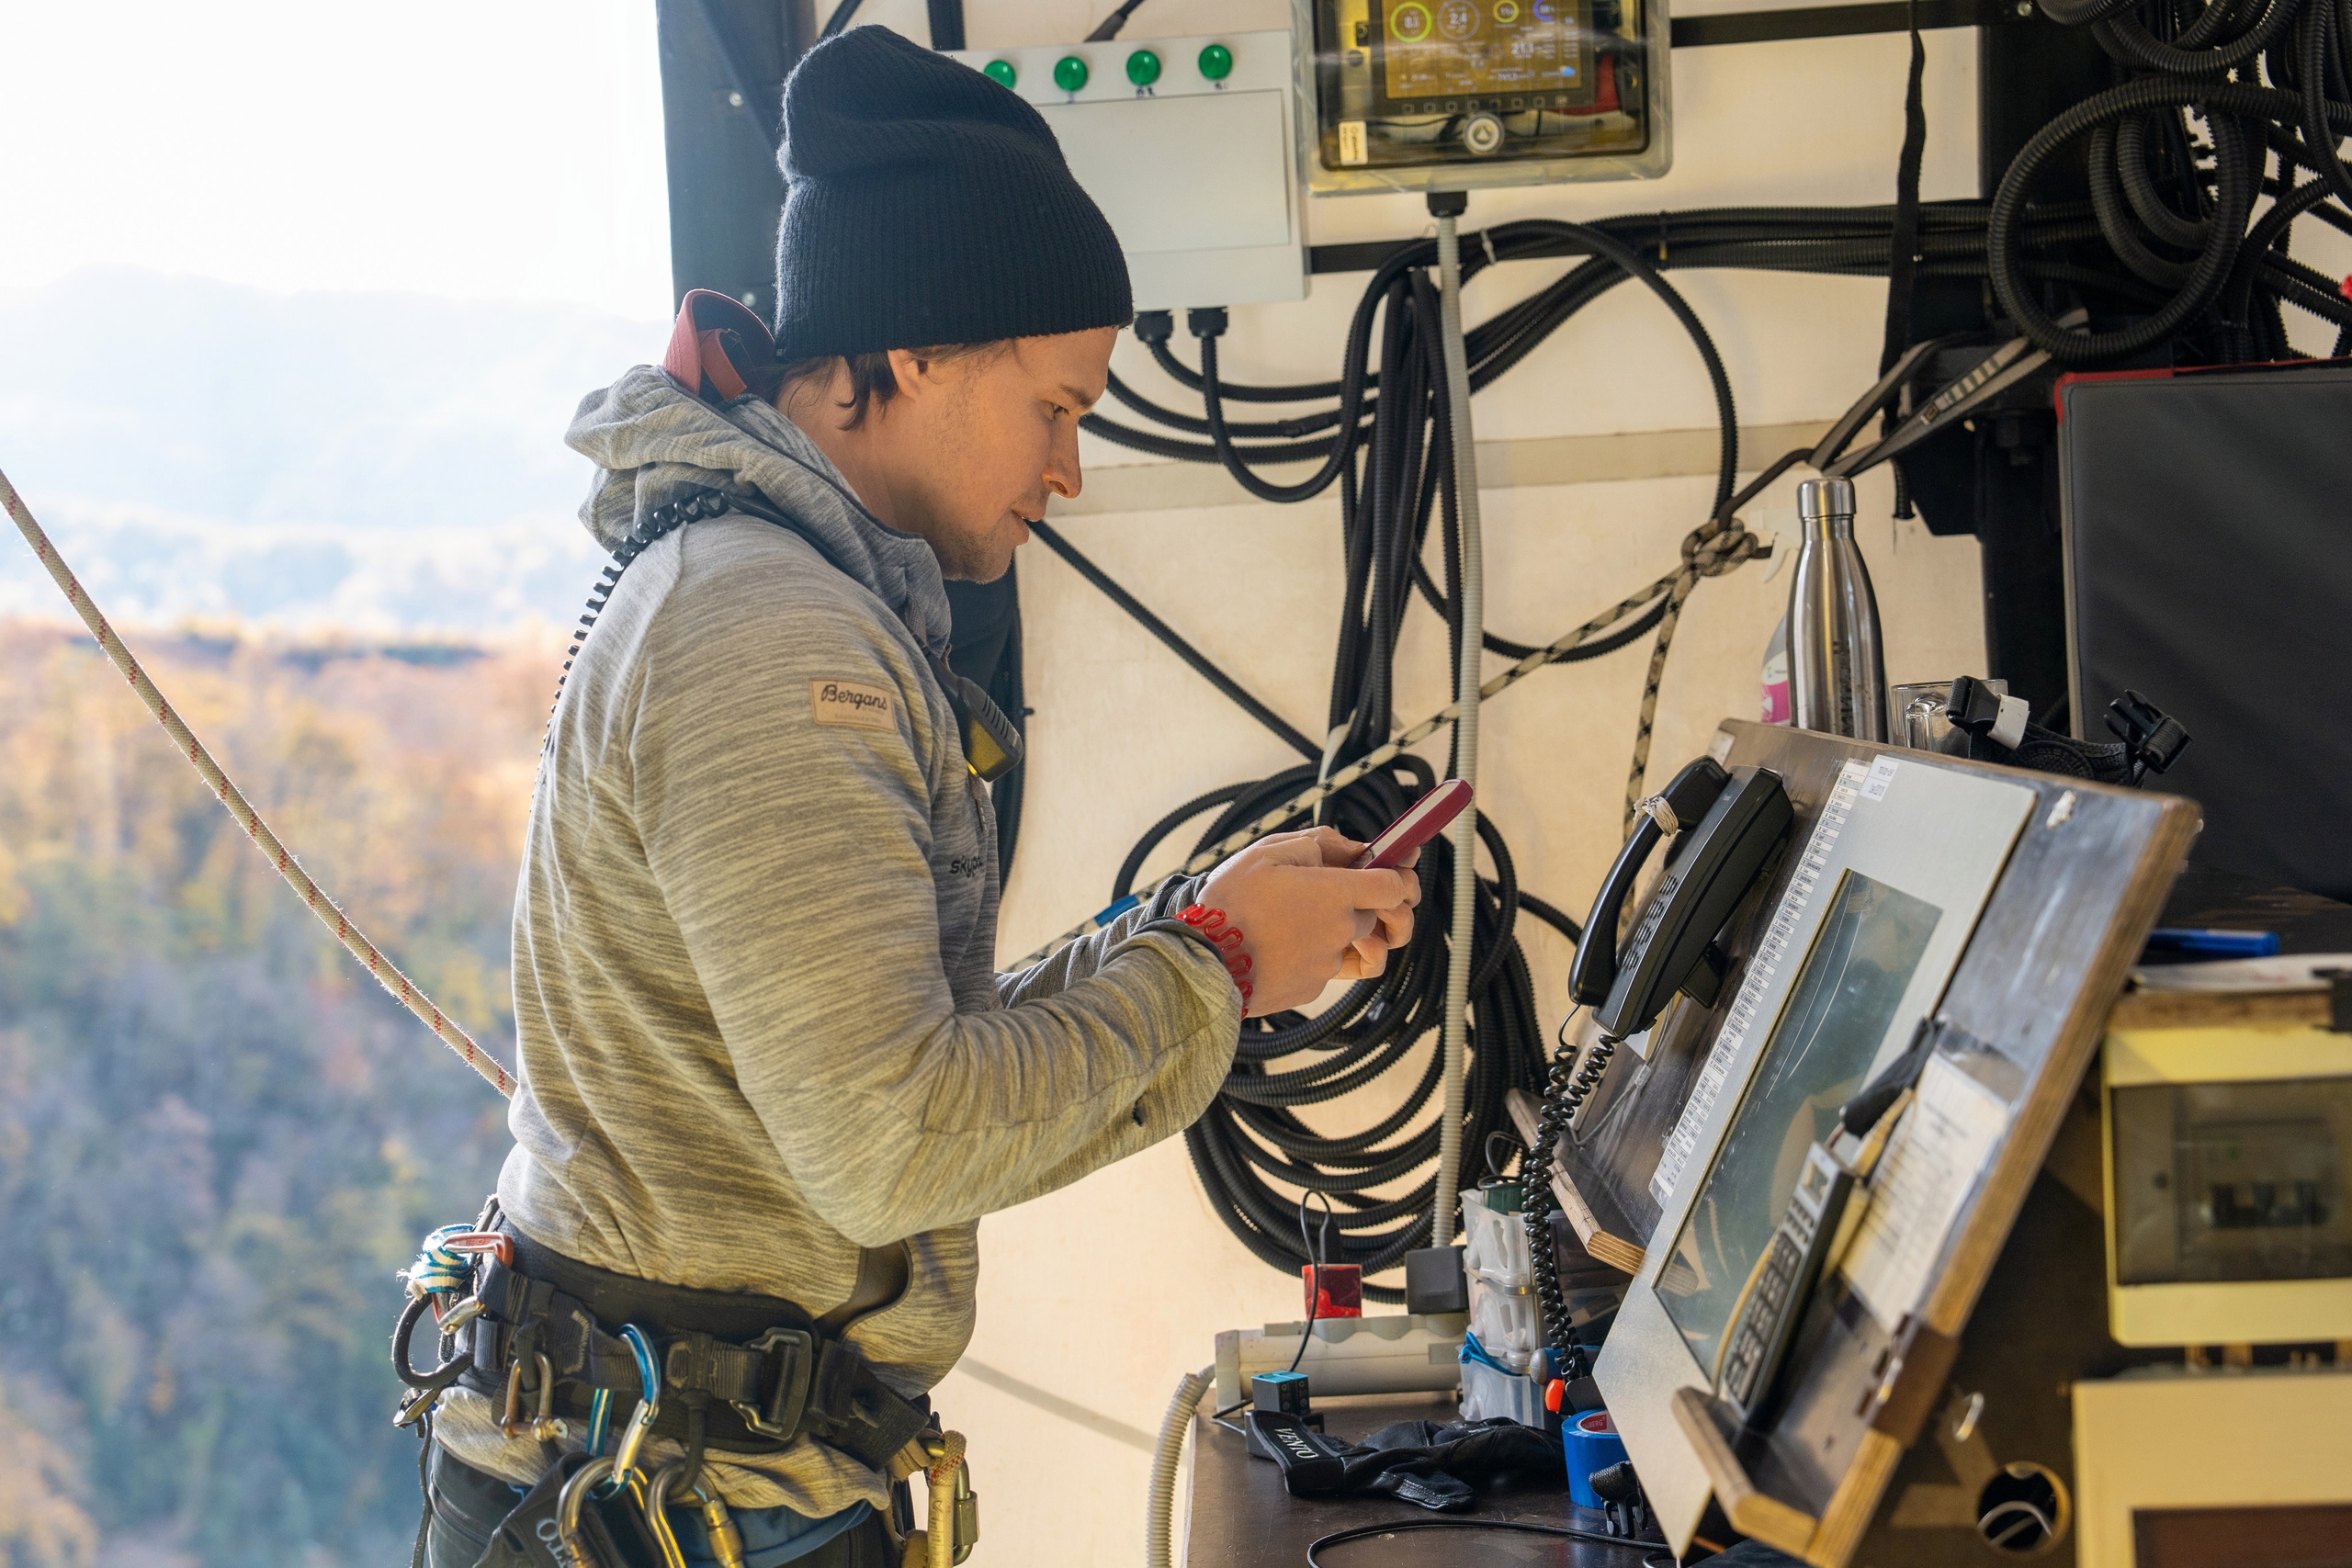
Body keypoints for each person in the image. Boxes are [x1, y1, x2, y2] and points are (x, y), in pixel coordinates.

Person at [409, 27, 1420, 1568]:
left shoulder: (783, 599)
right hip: (668, 1515)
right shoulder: (770, 636)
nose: (1070, 470)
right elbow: (897, 1145)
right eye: (1057, 408)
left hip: (704, 1491)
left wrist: (1198, 928)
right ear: (919, 353)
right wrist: (1216, 970)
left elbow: (911, 1061)